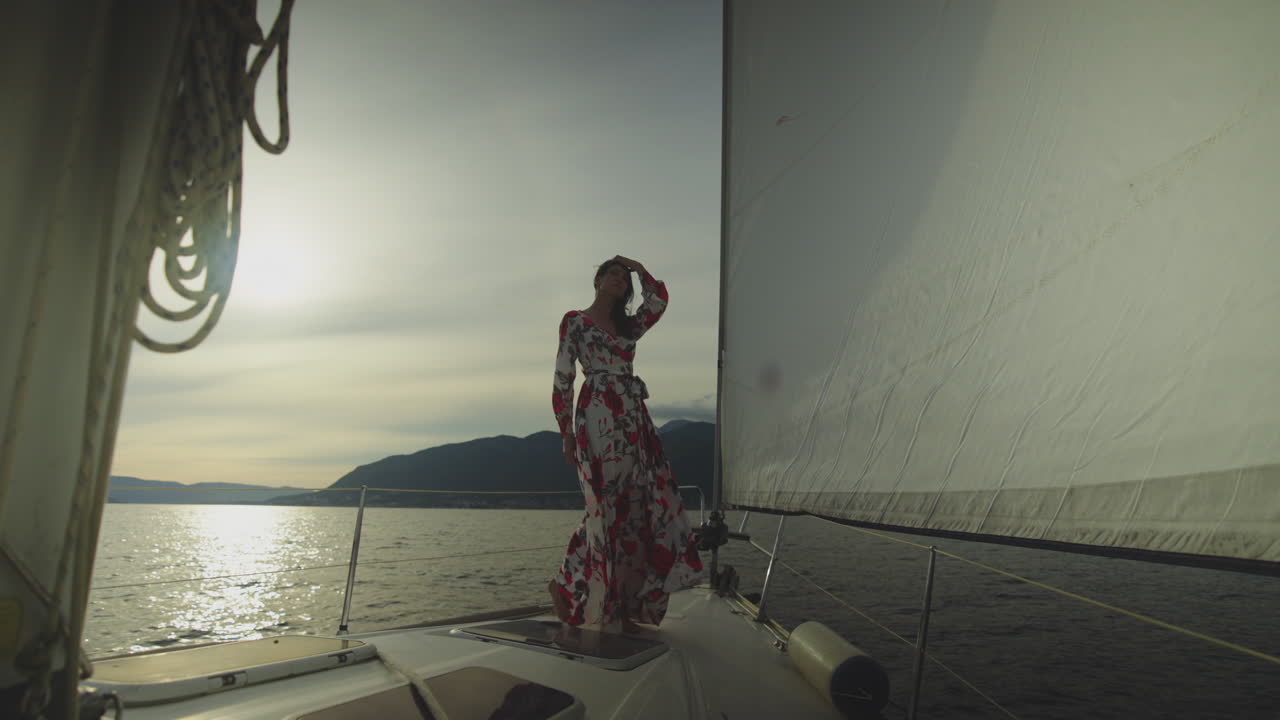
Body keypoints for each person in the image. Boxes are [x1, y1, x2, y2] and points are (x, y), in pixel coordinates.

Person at [548, 255, 703, 633]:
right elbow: (563, 377)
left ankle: (623, 603)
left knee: (637, 504)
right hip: (598, 413)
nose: (618, 279)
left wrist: (637, 266)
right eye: (611, 273)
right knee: (603, 505)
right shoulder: (576, 322)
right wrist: (566, 433)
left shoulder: (628, 327)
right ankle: (571, 589)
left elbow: (659, 300)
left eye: (623, 277)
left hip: (633, 417)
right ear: (597, 280)